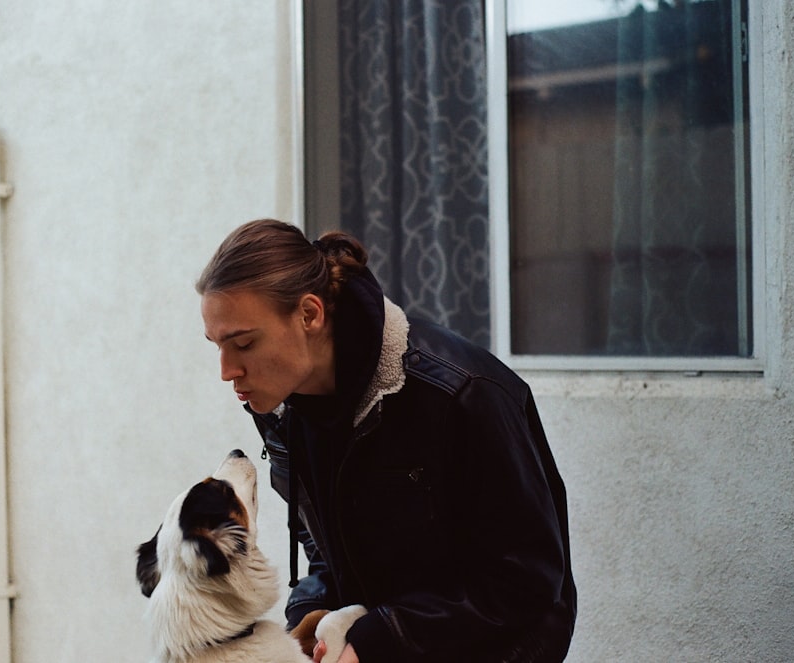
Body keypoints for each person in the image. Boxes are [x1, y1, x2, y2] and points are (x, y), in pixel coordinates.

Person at [196, 219, 576, 662]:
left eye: (243, 344)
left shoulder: (462, 393)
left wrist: (379, 638)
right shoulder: (283, 406)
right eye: (216, 345)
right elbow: (323, 543)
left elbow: (526, 582)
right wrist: (313, 614)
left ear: (310, 314)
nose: (226, 370)